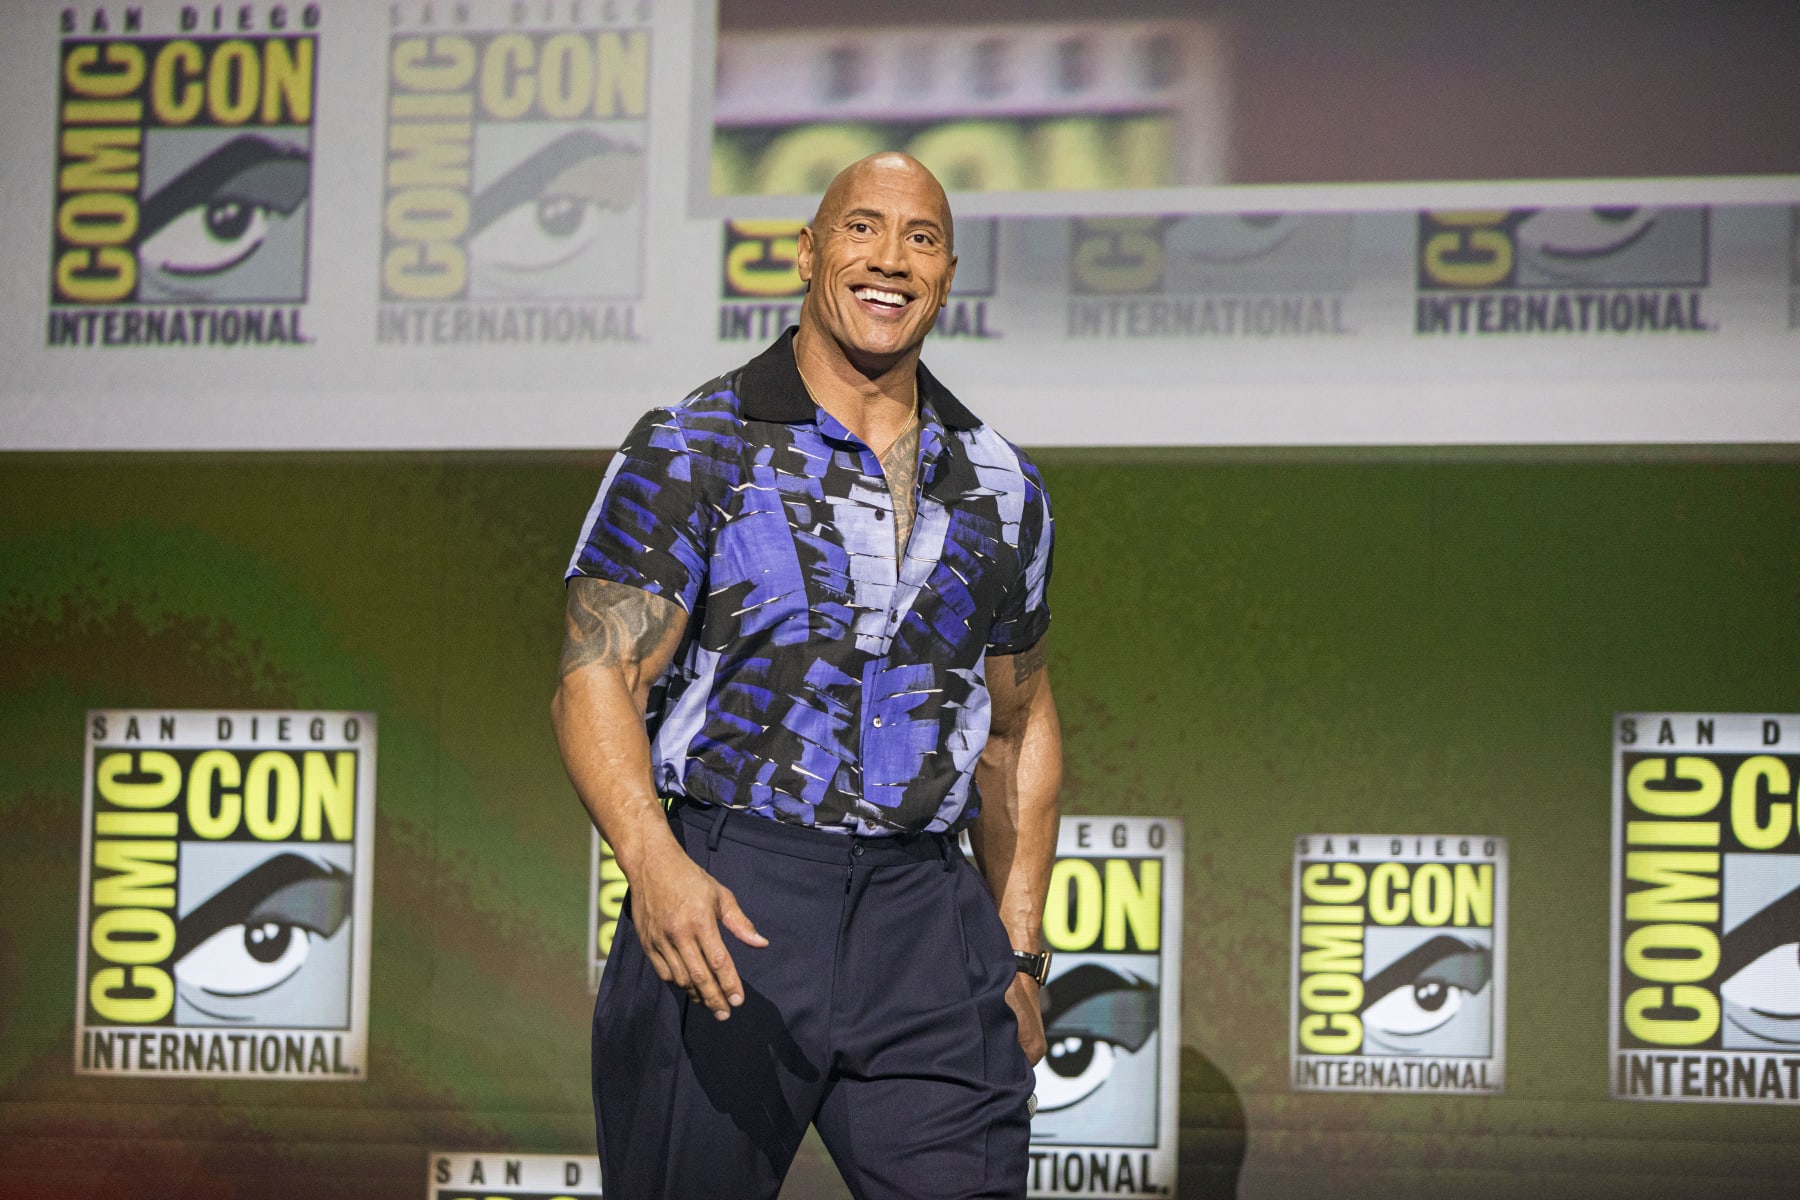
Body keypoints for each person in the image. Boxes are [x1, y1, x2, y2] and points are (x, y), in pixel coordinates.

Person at [551, 152, 1061, 1200]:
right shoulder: (696, 447)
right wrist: (653, 861)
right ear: (807, 253)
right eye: (862, 228)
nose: (890, 260)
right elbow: (596, 676)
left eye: (920, 239)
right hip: (731, 900)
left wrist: (1016, 953)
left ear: (948, 274)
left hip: (927, 918)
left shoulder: (1002, 486)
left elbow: (1018, 726)